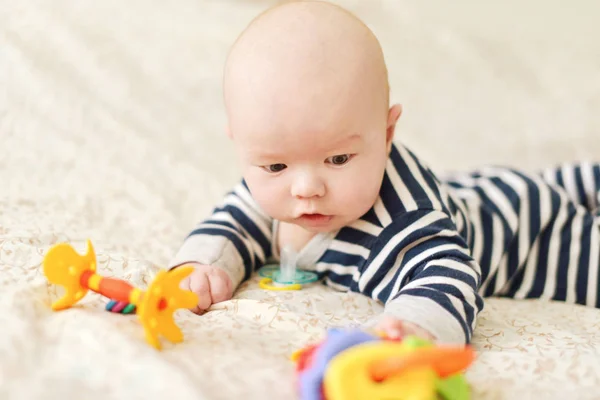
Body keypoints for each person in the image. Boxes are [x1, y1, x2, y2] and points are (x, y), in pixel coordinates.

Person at [169, 0, 600, 344]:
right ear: (241, 145)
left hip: (534, 235)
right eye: (276, 165)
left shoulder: (405, 225)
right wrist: (202, 266)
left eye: (338, 159)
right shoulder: (272, 182)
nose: (307, 189)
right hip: (479, 192)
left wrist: (412, 329)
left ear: (387, 132)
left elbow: (448, 274)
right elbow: (232, 222)